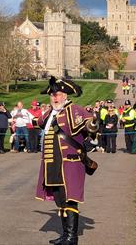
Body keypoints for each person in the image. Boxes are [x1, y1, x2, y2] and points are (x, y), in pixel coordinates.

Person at [36, 76, 98, 245]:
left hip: (69, 163)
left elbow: (89, 124)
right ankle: (65, 235)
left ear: (65, 96)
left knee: (71, 199)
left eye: (58, 94)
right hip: (52, 164)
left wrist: (92, 125)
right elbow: (39, 122)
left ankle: (72, 237)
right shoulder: (49, 114)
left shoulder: (74, 110)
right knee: (61, 200)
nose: (55, 97)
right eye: (52, 95)